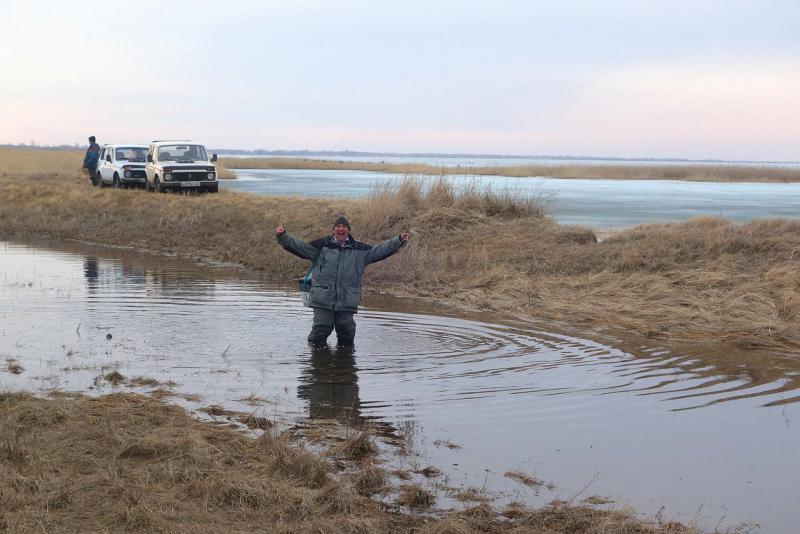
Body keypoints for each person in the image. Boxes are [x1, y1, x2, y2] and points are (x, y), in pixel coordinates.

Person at [276, 216, 411, 345]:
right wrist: (283, 236)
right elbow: (299, 247)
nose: (341, 229)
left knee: (346, 331)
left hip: (347, 299)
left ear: (349, 230)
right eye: (338, 226)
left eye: (344, 227)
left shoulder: (360, 249)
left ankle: (345, 362)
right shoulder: (321, 246)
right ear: (333, 230)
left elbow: (380, 250)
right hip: (323, 298)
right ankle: (315, 361)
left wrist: (398, 240)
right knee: (321, 329)